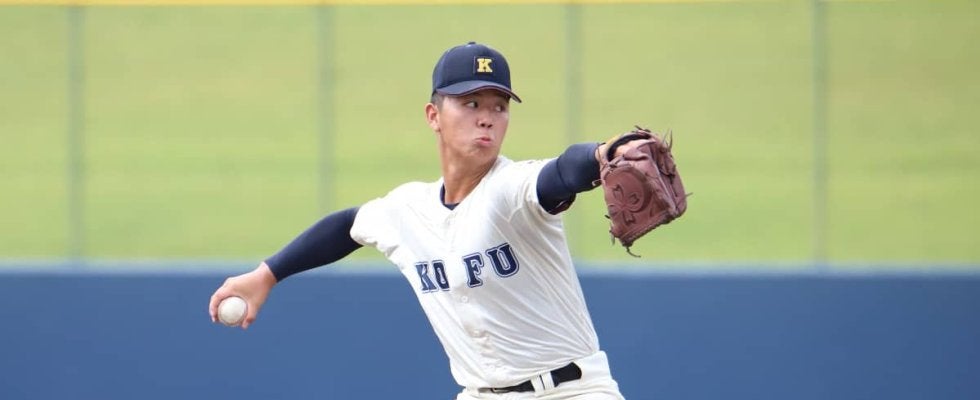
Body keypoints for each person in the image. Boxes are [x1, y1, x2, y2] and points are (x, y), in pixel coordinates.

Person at [209, 41, 632, 399]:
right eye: (470, 103)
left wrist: (604, 154)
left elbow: (561, 172)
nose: (487, 116)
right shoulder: (407, 210)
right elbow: (347, 227)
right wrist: (266, 275)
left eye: (499, 106)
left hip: (572, 391)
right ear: (433, 115)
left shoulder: (512, 188)